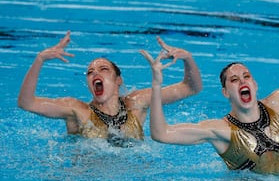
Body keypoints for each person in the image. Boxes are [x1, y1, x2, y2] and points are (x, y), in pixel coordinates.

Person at [142, 2, 279, 173]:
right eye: (234, 80)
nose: (242, 81)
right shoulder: (220, 130)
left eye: (246, 76)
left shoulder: (277, 104)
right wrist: (157, 84)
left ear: (255, 84)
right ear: (225, 92)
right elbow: (161, 134)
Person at [17, 32, 202, 147]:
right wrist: (39, 60)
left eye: (103, 69)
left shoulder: (136, 103)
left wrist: (188, 58)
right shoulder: (77, 110)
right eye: (90, 72)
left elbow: (191, 88)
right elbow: (26, 103)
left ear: (118, 80)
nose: (95, 73)